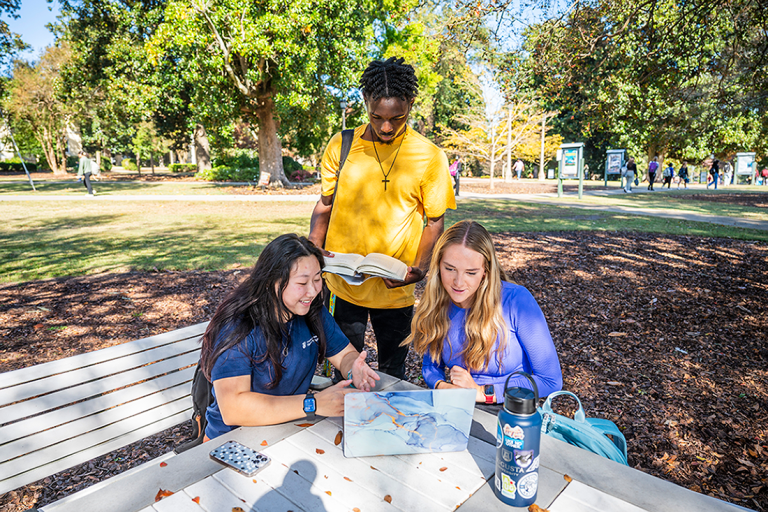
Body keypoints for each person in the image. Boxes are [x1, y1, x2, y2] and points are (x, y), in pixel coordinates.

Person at [308, 57, 456, 380]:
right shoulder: (342, 145)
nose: (386, 126)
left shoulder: (429, 157)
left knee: (393, 374)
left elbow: (434, 223)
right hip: (344, 287)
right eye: (377, 117)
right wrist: (311, 253)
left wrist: (419, 270)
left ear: (412, 104)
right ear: (366, 103)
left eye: (397, 117)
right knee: (344, 372)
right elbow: (324, 205)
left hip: (395, 290)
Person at [200, 234, 380, 441]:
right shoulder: (239, 327)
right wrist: (313, 403)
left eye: (317, 279)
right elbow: (233, 409)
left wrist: (352, 368)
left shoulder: (313, 313)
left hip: (287, 429)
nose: (312, 291)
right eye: (302, 283)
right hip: (231, 440)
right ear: (271, 283)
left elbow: (345, 354)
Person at [404, 220, 562, 409]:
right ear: (438, 265)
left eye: (471, 272)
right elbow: (431, 366)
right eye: (449, 269)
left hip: (511, 409)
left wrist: (481, 392)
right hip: (458, 404)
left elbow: (550, 381)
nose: (458, 282)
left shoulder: (516, 301)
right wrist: (441, 386)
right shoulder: (437, 303)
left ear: (486, 272)